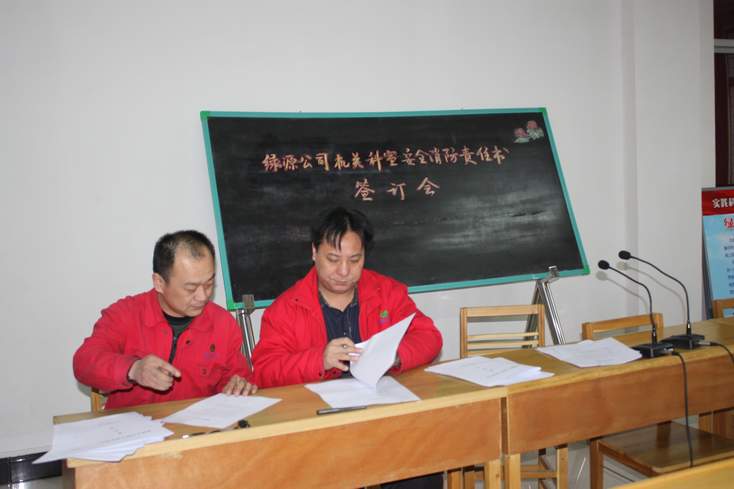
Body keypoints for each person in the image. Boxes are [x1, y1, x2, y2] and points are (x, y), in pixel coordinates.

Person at [252, 207, 443, 489]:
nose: (344, 271)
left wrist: (395, 355)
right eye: (333, 259)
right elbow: (264, 371)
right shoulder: (285, 309)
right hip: (319, 427)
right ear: (314, 252)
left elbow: (429, 336)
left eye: (355, 260)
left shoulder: (387, 292)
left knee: (421, 464)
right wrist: (318, 360)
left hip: (384, 418)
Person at [74, 230, 256, 409]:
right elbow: (84, 362)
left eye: (209, 284)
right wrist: (133, 369)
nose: (203, 296)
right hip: (133, 425)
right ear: (159, 283)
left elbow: (236, 378)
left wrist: (237, 386)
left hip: (195, 425)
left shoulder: (222, 323)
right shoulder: (126, 314)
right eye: (190, 288)